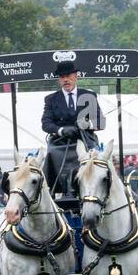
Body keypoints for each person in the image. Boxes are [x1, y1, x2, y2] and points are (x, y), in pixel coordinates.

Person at [41, 61, 105, 199]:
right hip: (61, 142)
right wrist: (62, 130)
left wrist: (86, 124)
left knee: (96, 156)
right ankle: (52, 189)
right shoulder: (51, 99)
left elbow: (101, 122)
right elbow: (46, 124)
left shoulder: (89, 96)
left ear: (75, 76)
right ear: (59, 79)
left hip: (85, 139)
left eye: (68, 76)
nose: (65, 79)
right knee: (51, 152)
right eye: (62, 77)